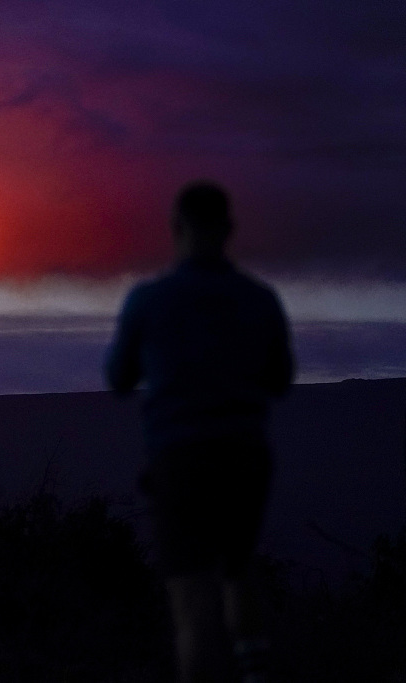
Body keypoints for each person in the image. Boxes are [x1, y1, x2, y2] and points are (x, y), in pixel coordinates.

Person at [105, 181, 294, 683]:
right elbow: (280, 380)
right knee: (238, 569)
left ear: (175, 229)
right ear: (229, 230)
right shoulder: (259, 299)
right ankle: (255, 670)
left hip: (179, 460)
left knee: (190, 596)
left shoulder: (149, 300)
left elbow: (118, 379)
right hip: (245, 457)